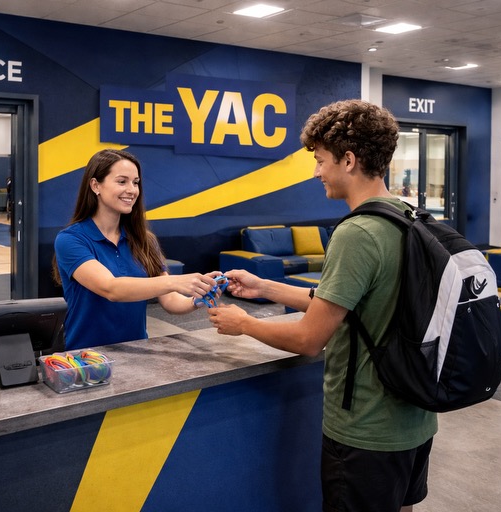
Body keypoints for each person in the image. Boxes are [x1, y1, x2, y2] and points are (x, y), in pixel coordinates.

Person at [207, 100, 437, 512]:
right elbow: (352, 303)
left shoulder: (356, 233)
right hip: (415, 420)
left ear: (348, 160)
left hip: (365, 429)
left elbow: (309, 339)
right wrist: (266, 287)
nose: (316, 172)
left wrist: (243, 324)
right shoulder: (409, 217)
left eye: (320, 160)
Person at [53, 148, 219, 350]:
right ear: (95, 185)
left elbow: (169, 300)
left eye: (136, 182)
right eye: (122, 182)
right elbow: (111, 288)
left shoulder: (145, 240)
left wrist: (196, 299)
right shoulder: (71, 240)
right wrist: (175, 281)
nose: (132, 190)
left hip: (137, 352)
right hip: (87, 357)